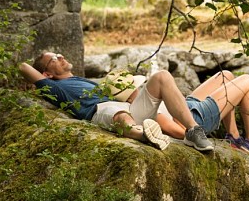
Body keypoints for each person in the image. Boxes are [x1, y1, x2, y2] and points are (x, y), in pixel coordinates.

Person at [18, 52, 214, 152]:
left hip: (130, 110)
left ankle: (193, 131)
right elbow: (23, 67)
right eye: (53, 58)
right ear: (46, 74)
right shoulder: (55, 87)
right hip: (101, 112)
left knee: (162, 76)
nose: (59, 56)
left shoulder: (82, 80)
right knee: (114, 111)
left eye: (58, 54)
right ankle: (142, 135)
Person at [154, 70, 249, 158]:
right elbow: (175, 130)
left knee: (225, 76)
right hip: (194, 117)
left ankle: (233, 137)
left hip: (187, 104)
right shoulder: (148, 111)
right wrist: (194, 131)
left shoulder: (142, 100)